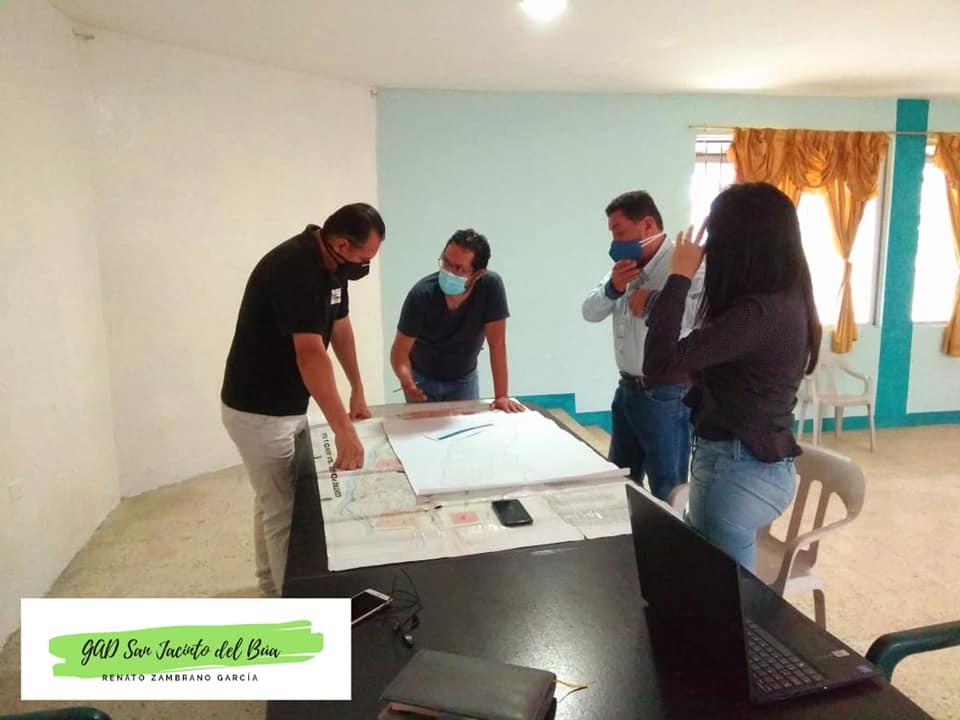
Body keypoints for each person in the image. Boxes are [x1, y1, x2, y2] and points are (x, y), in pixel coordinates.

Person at [643, 182, 822, 570]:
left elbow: (658, 365)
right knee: (710, 580)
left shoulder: (759, 314)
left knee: (726, 595)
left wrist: (679, 276)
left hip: (738, 471)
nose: (708, 249)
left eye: (715, 237)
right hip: (748, 464)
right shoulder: (782, 302)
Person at [220, 202, 384, 596]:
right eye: (365, 258)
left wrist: (357, 388)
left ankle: (269, 586)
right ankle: (287, 602)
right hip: (260, 409)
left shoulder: (333, 264)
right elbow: (310, 355)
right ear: (342, 244)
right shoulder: (294, 269)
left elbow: (340, 326)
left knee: (271, 499)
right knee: (285, 514)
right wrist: (343, 430)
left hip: (287, 403)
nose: (365, 266)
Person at [582, 191, 703, 501]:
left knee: (668, 489)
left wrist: (652, 301)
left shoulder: (686, 263)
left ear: (648, 225)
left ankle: (667, 536)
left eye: (619, 231)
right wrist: (613, 288)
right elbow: (589, 311)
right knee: (621, 481)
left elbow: (699, 315)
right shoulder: (624, 268)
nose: (614, 242)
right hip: (628, 389)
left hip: (667, 393)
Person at [391, 228, 525, 412]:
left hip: (464, 380)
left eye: (459, 268)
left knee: (466, 429)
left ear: (478, 274)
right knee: (422, 428)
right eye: (446, 262)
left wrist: (501, 396)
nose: (449, 272)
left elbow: (497, 344)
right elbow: (400, 350)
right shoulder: (421, 295)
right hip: (422, 380)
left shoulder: (490, 287)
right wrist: (406, 379)